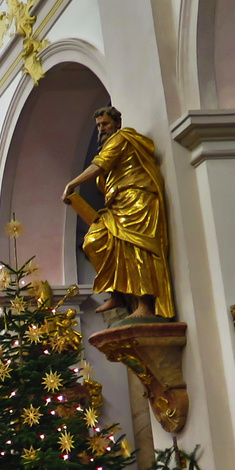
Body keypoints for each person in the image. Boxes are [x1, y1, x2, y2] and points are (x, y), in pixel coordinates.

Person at [62, 106, 174, 319]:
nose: (101, 129)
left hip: (136, 199)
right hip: (117, 203)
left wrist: (72, 184)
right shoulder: (108, 145)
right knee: (94, 241)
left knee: (136, 247)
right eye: (98, 126)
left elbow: (99, 166)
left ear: (117, 123)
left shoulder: (121, 138)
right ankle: (118, 293)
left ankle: (145, 304)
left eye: (105, 124)